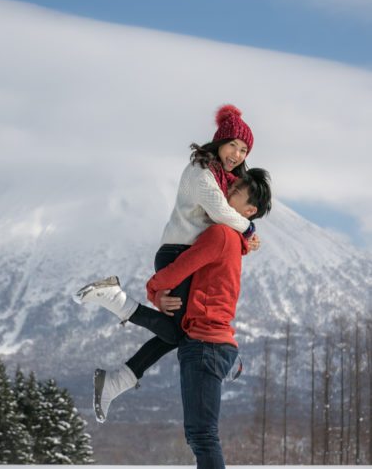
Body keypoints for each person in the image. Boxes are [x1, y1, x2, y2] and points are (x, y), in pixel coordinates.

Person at [74, 104, 259, 421]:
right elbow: (220, 214)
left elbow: (227, 225)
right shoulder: (201, 173)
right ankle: (115, 302)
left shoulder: (223, 178)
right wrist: (249, 229)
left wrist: (244, 238)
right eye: (233, 145)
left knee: (179, 331)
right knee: (183, 333)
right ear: (219, 142)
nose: (238, 154)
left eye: (244, 149)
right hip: (178, 253)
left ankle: (118, 378)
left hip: (191, 256)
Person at [77, 168, 272, 468]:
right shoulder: (234, 239)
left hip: (206, 345)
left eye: (237, 191)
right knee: (199, 434)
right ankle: (118, 361)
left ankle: (118, 302)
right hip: (208, 342)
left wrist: (153, 289)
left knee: (202, 436)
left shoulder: (221, 234)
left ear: (249, 211)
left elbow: (182, 266)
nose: (227, 193)